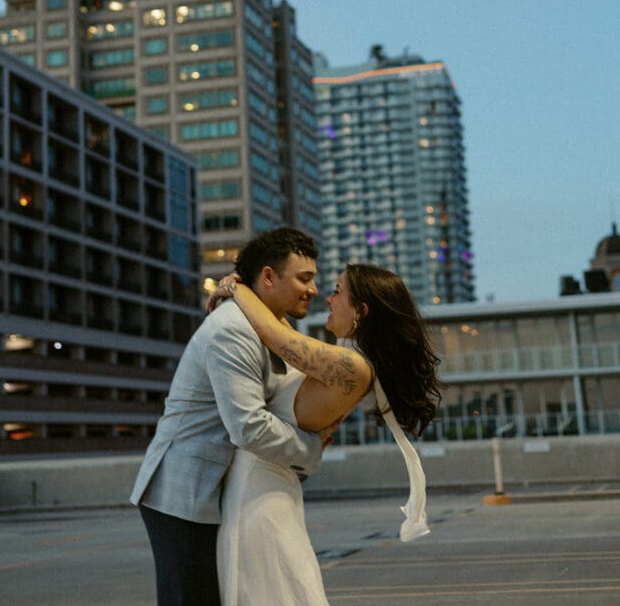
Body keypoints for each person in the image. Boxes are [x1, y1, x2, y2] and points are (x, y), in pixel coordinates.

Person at [209, 263, 442, 605]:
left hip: (258, 493)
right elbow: (282, 334)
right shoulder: (346, 361)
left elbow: (274, 335)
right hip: (263, 486)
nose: (328, 299)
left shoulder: (354, 368)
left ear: (361, 311)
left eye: (336, 291)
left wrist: (237, 288)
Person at [130, 227, 337, 606]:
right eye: (304, 279)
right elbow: (248, 426)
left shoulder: (272, 327)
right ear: (269, 277)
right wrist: (310, 449)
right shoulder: (233, 330)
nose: (313, 290)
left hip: (223, 490)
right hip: (184, 490)